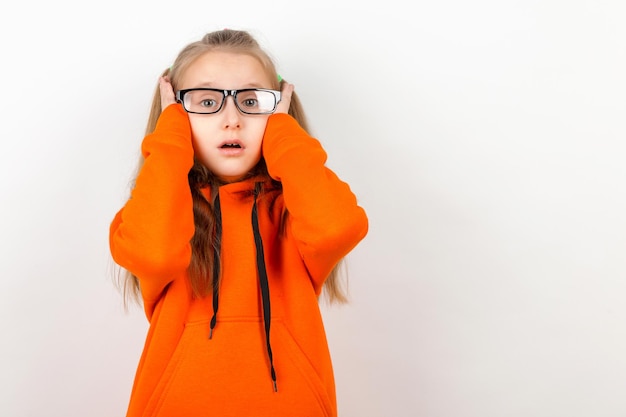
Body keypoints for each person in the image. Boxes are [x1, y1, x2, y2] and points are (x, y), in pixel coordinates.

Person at [109, 28, 368, 417]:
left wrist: (281, 132)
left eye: (251, 101)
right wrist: (170, 139)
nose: (232, 120)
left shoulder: (295, 212)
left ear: (279, 108)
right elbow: (154, 252)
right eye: (206, 100)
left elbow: (339, 227)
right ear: (175, 115)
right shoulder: (157, 211)